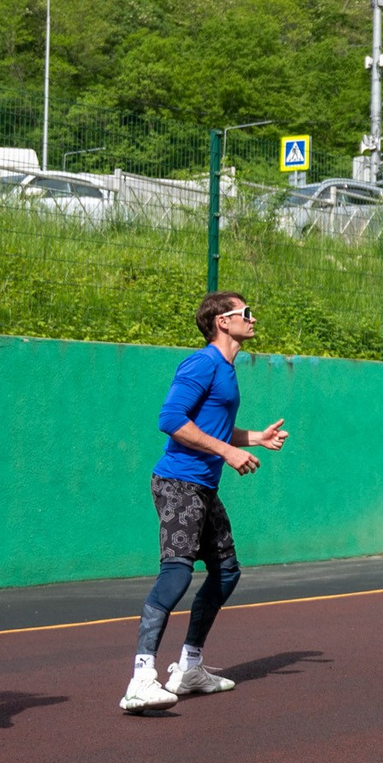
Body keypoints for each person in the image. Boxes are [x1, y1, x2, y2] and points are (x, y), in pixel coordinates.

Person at [121, 291, 290, 713]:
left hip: (203, 488)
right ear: (222, 321)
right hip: (178, 483)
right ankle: (141, 678)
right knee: (176, 575)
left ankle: (190, 667)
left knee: (226, 572)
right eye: (245, 312)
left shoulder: (227, 370)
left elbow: (211, 427)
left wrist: (254, 438)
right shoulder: (202, 363)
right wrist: (227, 452)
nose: (253, 318)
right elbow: (170, 419)